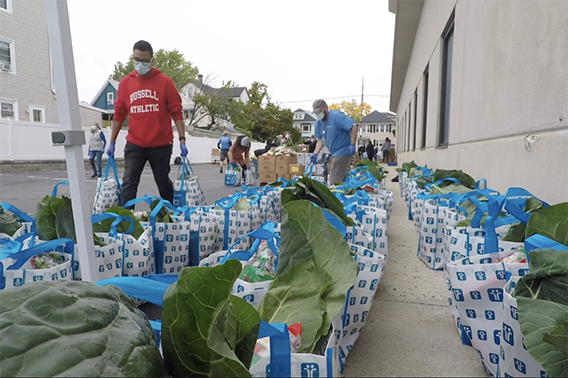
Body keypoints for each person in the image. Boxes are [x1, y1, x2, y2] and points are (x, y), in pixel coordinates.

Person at [106, 40, 187, 206]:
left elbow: (176, 111)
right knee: (129, 182)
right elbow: (119, 114)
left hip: (160, 144)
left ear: (151, 61)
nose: (140, 64)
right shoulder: (125, 84)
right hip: (135, 143)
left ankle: (170, 214)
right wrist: (111, 141)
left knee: (163, 182)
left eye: (144, 61)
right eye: (136, 59)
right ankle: (127, 220)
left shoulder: (164, 82)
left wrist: (182, 139)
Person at [310, 99, 357, 185]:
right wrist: (315, 153)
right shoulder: (318, 123)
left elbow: (353, 126)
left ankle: (335, 195)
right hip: (334, 152)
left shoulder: (336, 116)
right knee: (336, 175)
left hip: (344, 150)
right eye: (316, 113)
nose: (318, 115)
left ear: (325, 108)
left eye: (319, 112)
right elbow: (320, 140)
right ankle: (341, 195)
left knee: (334, 178)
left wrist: (352, 144)